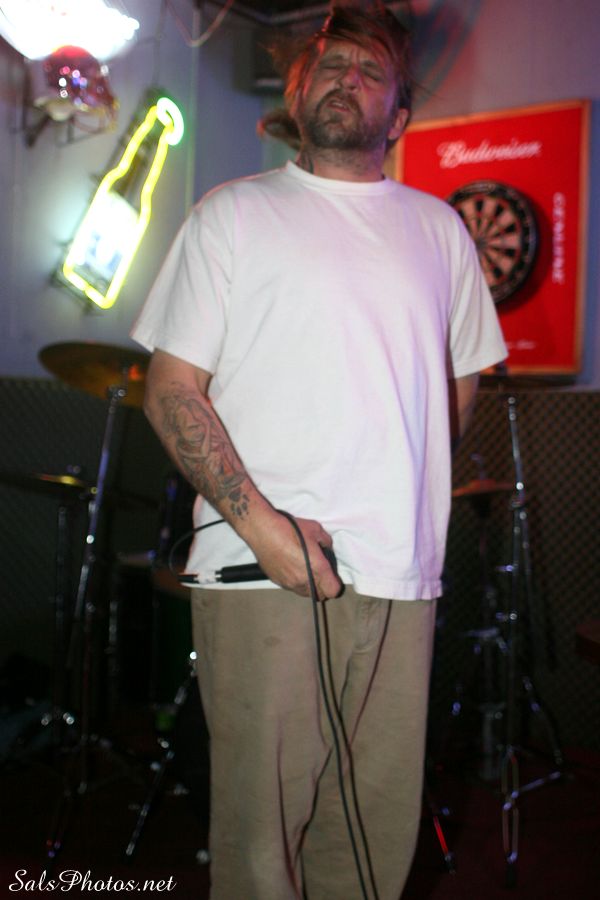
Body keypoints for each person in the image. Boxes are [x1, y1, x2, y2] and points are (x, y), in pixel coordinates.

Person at [131, 5, 507, 898]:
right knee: (263, 845)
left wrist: (398, 486)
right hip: (262, 569)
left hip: (402, 574)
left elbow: (459, 386)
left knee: (372, 833)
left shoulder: (441, 231)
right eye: (329, 65)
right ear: (296, 97)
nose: (347, 78)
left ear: (399, 117)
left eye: (371, 71)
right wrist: (265, 530)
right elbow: (170, 389)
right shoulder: (232, 214)